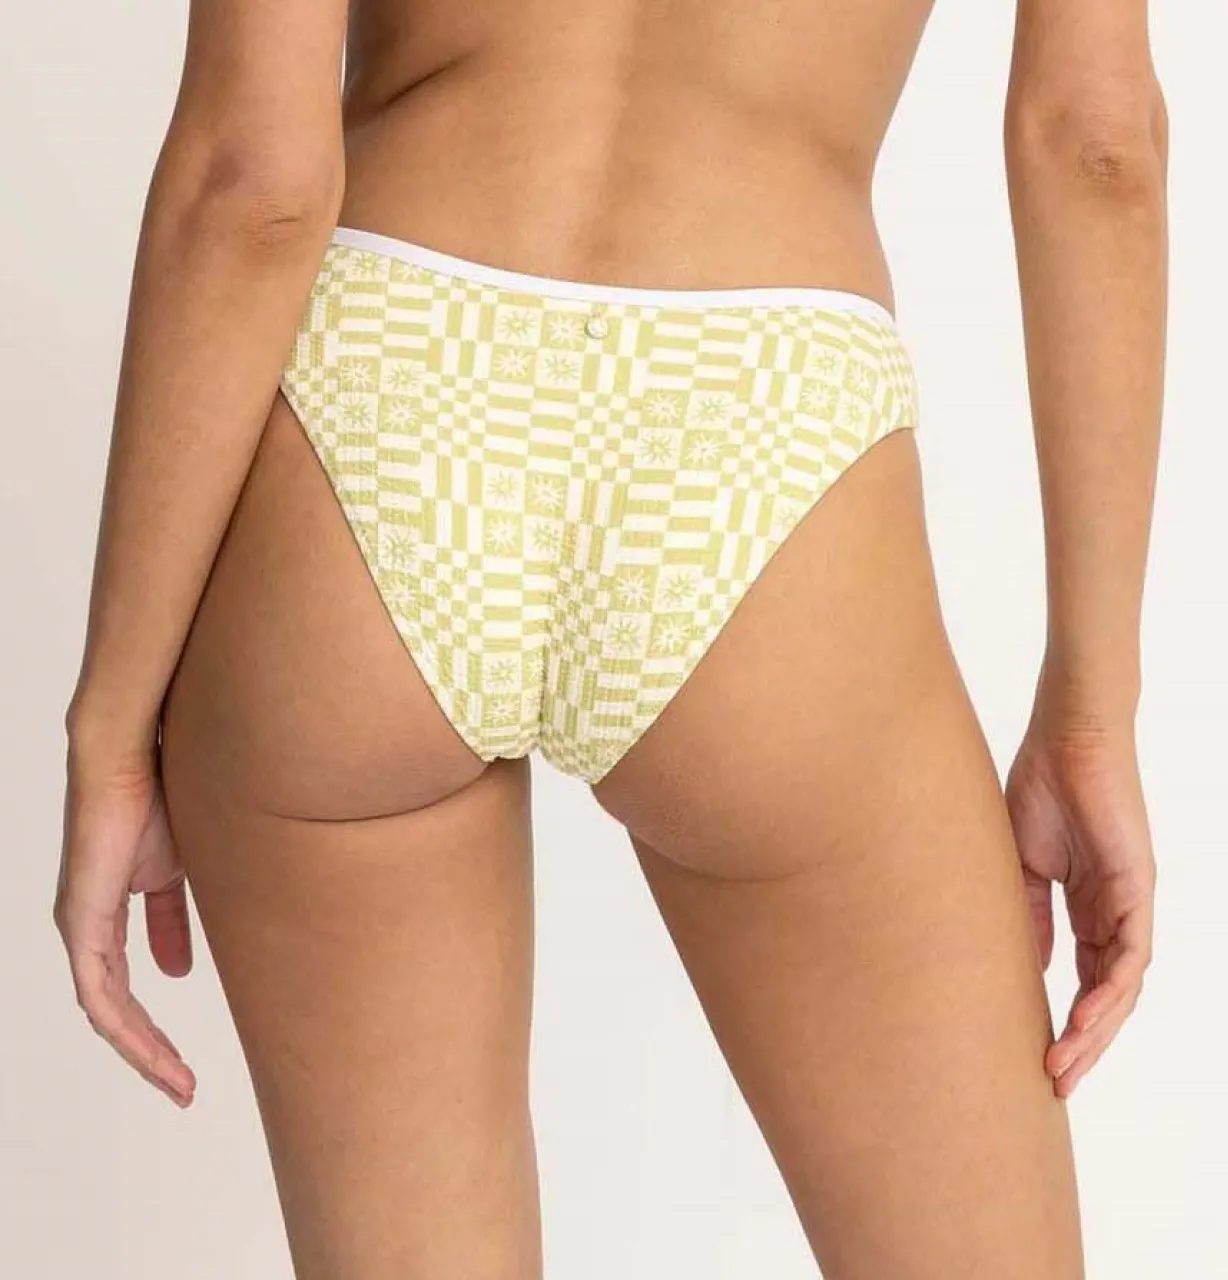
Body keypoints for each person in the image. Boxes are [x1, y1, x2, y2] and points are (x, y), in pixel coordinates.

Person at [53, 0, 1167, 1274]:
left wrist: (112, 721)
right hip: (759, 411)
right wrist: (1089, 715)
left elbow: (251, 182)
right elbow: (1093, 144)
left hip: (376, 401)